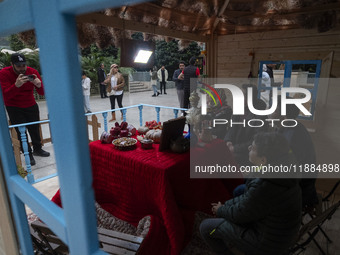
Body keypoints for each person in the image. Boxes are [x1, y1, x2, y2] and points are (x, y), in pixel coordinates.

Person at [200, 132, 302, 255]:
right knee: (240, 190)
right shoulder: (283, 169)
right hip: (283, 236)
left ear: (263, 159)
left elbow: (240, 214)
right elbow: (248, 200)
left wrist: (221, 210)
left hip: (266, 245)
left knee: (206, 228)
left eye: (253, 148)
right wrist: (227, 205)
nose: (249, 148)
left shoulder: (265, 185)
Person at [0, 53, 50, 166]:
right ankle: (28, 154)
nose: (22, 68)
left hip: (31, 104)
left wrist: (38, 84)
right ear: (12, 64)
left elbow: (42, 93)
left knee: (35, 129)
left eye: (24, 65)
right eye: (18, 66)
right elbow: (5, 96)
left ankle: (37, 149)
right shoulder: (3, 73)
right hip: (13, 106)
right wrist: (16, 85)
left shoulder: (32, 71)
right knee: (21, 132)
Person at [271, 98, 318, 209]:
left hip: (300, 186)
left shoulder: (294, 135)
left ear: (283, 115)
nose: (270, 112)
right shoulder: (284, 128)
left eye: (273, 110)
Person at [224, 84, 267, 166]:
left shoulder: (260, 115)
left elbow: (256, 140)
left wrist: (235, 148)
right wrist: (228, 141)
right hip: (234, 147)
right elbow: (231, 129)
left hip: (248, 152)